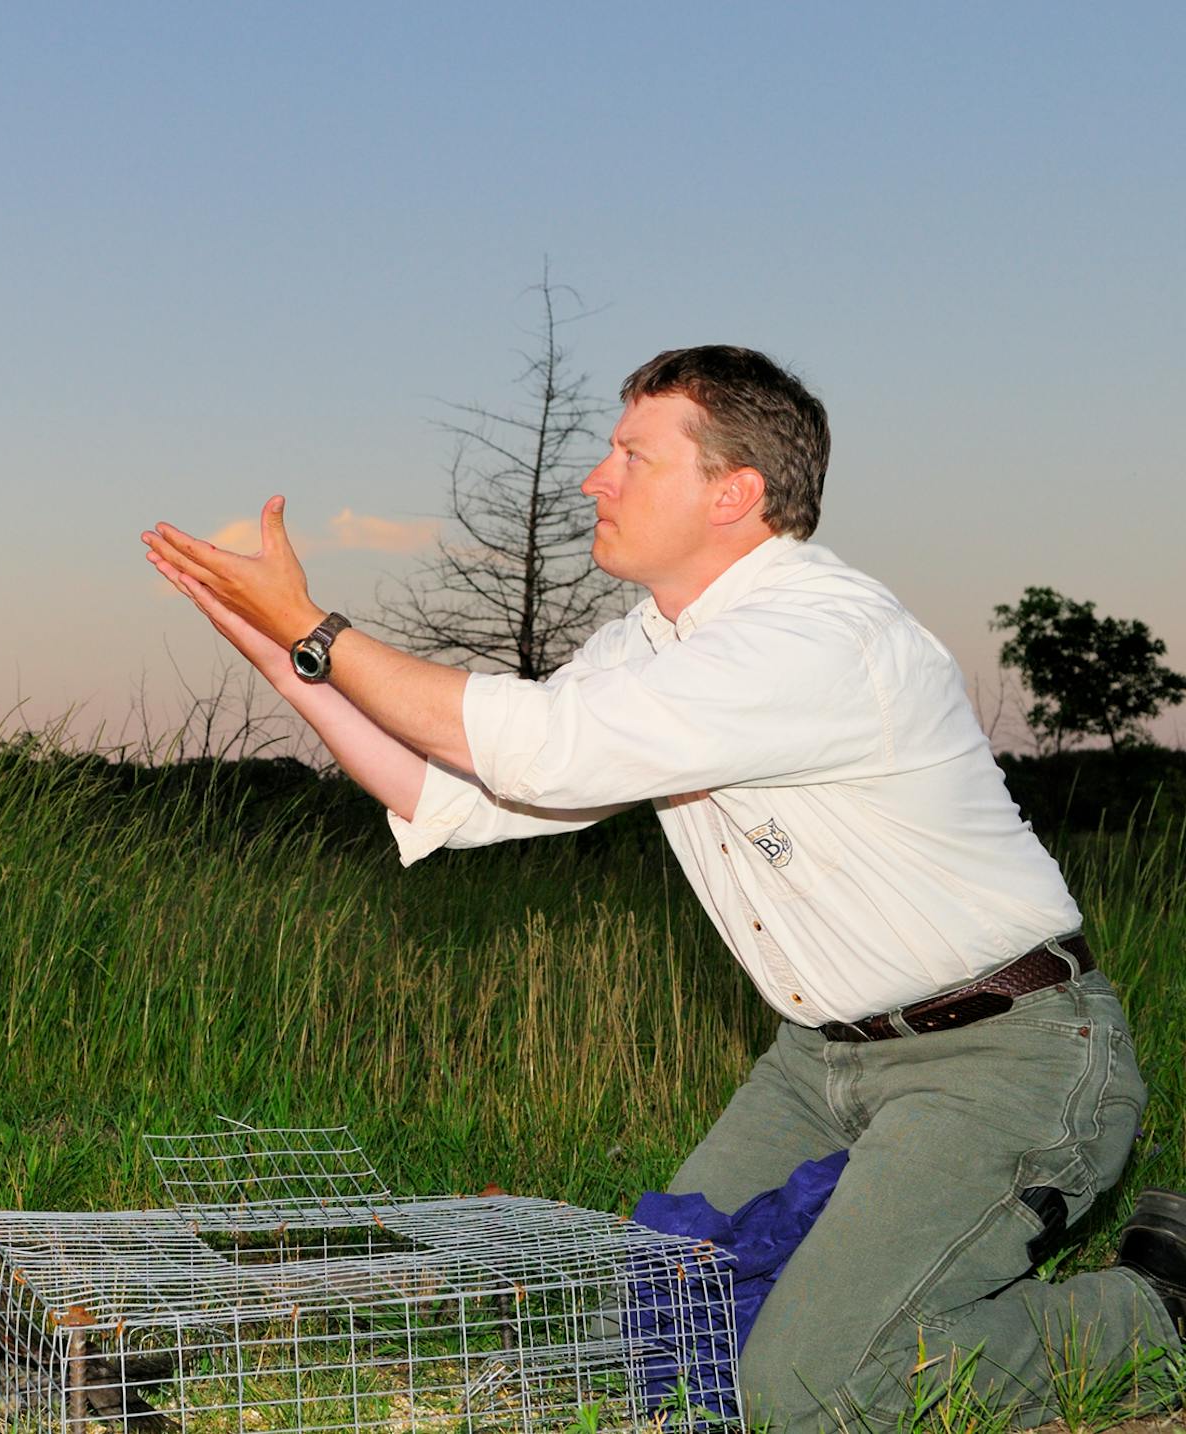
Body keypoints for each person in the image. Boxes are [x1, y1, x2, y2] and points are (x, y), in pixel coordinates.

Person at [140, 345, 1184, 1433]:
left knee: (805, 1391)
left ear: (734, 492)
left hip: (1006, 1059)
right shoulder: (654, 642)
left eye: (633, 455)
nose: (598, 478)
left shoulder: (814, 637)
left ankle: (1157, 1316)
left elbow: (545, 749)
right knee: (660, 1338)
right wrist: (283, 658)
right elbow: (469, 794)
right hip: (816, 1063)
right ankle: (903, 1296)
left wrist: (319, 628)